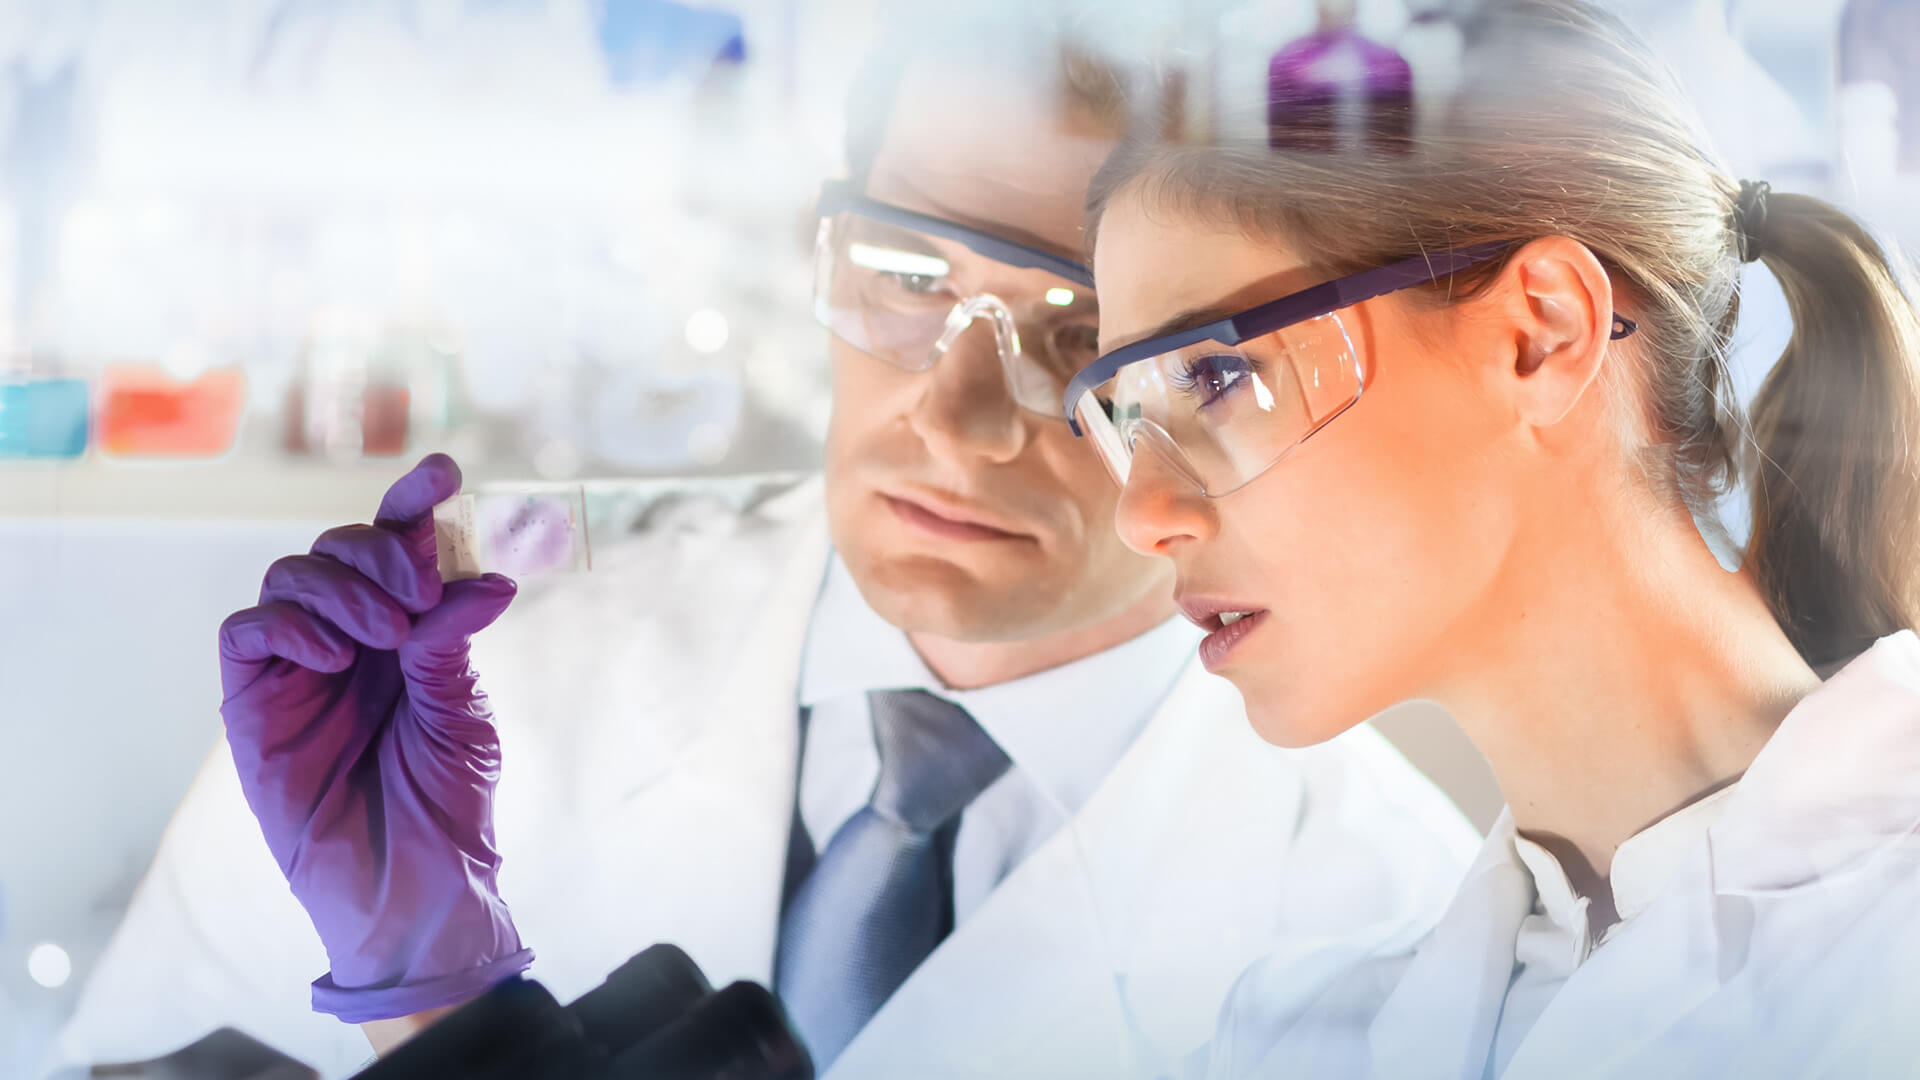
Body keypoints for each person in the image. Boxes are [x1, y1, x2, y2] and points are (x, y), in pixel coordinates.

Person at [45, 17, 1479, 1080]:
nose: (960, 420)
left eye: (1093, 334)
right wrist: (425, 999)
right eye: (910, 274)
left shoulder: (1406, 946)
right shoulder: (475, 689)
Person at [1065, 0, 1920, 1075]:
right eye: (1123, 414)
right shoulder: (1289, 1037)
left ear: (1540, 335)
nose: (1142, 515)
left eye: (1220, 377)